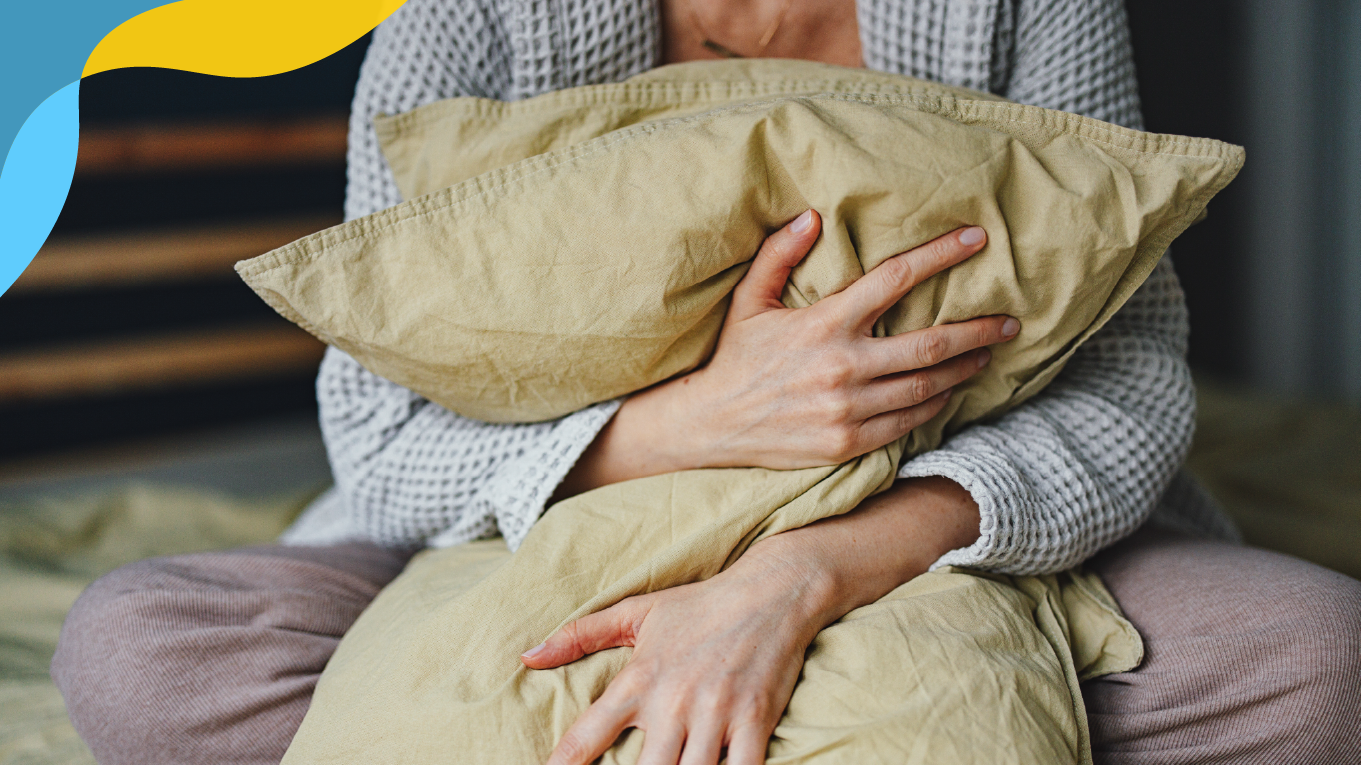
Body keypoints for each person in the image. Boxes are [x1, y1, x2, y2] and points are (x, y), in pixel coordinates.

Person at [51, 1, 1361, 764]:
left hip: (932, 517)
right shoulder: (474, 23)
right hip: (546, 521)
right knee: (135, 653)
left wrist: (801, 577)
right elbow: (379, 444)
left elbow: (1133, 392)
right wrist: (686, 425)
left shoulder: (1024, 8)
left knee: (1322, 664)